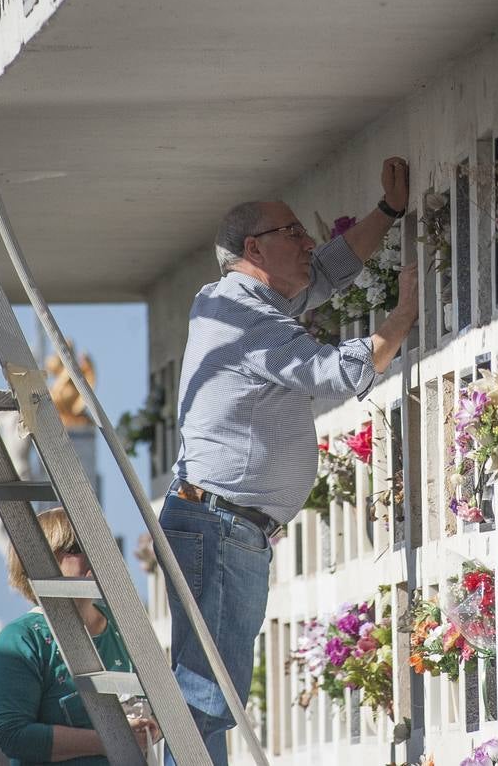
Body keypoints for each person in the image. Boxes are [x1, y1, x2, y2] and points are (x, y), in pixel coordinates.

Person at [162, 156, 418, 763]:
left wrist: (389, 210)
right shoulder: (244, 314)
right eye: (294, 233)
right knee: (206, 698)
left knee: (209, 697)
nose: (309, 242)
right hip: (220, 527)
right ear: (254, 246)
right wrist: (404, 313)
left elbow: (326, 270)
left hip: (224, 526)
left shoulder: (242, 299)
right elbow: (329, 372)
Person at [0, 507, 161, 765]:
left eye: (96, 541)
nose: (93, 551)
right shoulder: (21, 639)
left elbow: (161, 705)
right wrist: (111, 740)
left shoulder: (126, 624)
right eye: (76, 545)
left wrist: (152, 727)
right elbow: (14, 735)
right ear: (40, 562)